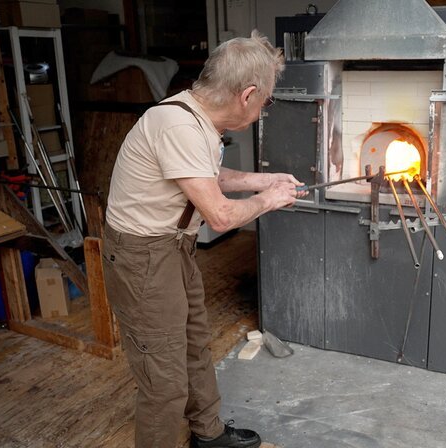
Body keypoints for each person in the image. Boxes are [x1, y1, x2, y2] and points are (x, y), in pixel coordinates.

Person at [102, 31, 303, 448]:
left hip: (173, 248)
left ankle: (208, 436)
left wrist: (265, 180)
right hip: (144, 258)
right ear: (247, 95)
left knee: (194, 346)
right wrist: (267, 200)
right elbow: (221, 214)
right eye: (265, 100)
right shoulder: (177, 124)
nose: (263, 107)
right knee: (164, 380)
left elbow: (205, 177)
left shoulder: (198, 118)